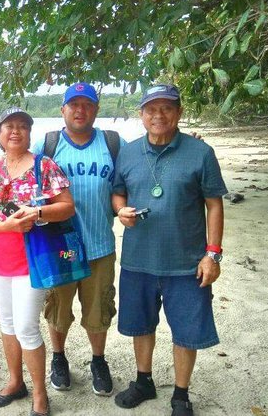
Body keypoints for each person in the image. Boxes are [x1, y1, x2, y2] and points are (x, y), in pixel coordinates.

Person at [111, 84, 227, 416]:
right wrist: (121, 211)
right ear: (142, 115)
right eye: (151, 109)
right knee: (141, 325)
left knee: (187, 332)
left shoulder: (200, 153)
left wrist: (212, 254)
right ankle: (143, 381)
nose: (158, 115)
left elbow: (214, 205)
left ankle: (180, 394)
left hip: (187, 264)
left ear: (178, 112)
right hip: (138, 261)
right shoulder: (129, 152)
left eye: (166, 108)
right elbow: (117, 193)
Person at [0, 107, 75, 416]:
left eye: (22, 126)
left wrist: (38, 213)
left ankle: (40, 395)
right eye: (9, 126)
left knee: (26, 327)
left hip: (32, 260)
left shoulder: (44, 166)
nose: (15, 131)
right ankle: (15, 382)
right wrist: (6, 226)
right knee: (7, 322)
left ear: (29, 133)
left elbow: (68, 207)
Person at [32, 82, 123, 396]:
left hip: (100, 245)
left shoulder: (112, 143)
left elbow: (133, 175)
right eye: (74, 105)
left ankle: (98, 360)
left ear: (96, 110)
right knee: (58, 307)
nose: (80, 111)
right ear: (63, 110)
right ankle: (59, 358)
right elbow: (16, 171)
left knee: (98, 308)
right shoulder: (47, 143)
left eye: (87, 105)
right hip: (60, 248)